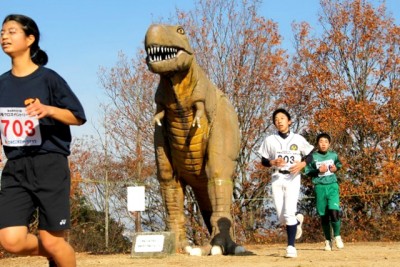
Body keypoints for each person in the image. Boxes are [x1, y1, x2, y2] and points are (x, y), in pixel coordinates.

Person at [0, 14, 86, 267]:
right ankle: (55, 253)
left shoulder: (49, 79)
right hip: (15, 166)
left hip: (49, 163)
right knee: (11, 241)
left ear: (30, 39)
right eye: (2, 32)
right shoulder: (1, 84)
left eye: (12, 31)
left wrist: (49, 110)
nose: (4, 36)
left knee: (52, 240)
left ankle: (56, 251)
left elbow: (78, 117)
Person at [258, 108, 314, 258]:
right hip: (277, 178)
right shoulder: (270, 140)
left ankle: (291, 247)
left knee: (289, 212)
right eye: (276, 119)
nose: (279, 121)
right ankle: (296, 221)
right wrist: (272, 162)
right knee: (282, 217)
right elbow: (263, 160)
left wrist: (302, 164)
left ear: (289, 121)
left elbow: (310, 154)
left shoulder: (298, 138)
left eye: (282, 118)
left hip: (293, 177)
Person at [305, 133, 344, 251]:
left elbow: (339, 164)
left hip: (332, 186)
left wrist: (336, 168)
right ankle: (328, 240)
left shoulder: (333, 155)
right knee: (324, 216)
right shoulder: (313, 156)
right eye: (321, 141)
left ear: (329, 144)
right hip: (320, 187)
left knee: (334, 211)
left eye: (326, 142)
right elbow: (306, 171)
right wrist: (318, 170)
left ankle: (337, 236)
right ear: (317, 143)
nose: (323, 144)